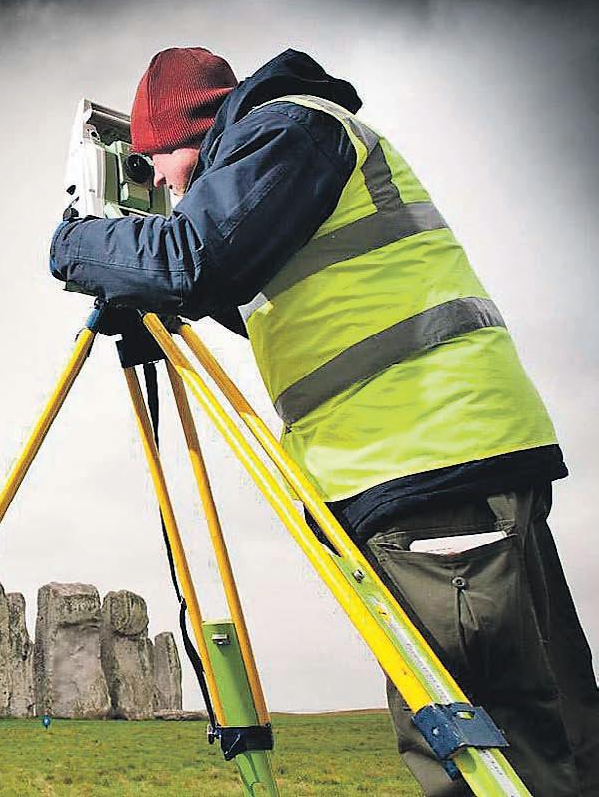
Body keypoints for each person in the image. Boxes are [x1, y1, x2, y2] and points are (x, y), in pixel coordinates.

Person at [49, 47, 599, 796]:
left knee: (483, 742)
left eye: (157, 164)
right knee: (559, 729)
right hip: (458, 450)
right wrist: (144, 281)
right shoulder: (289, 161)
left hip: (421, 459)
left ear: (187, 134)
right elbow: (224, 285)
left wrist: (75, 242)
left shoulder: (286, 132)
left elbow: (188, 259)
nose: (164, 187)